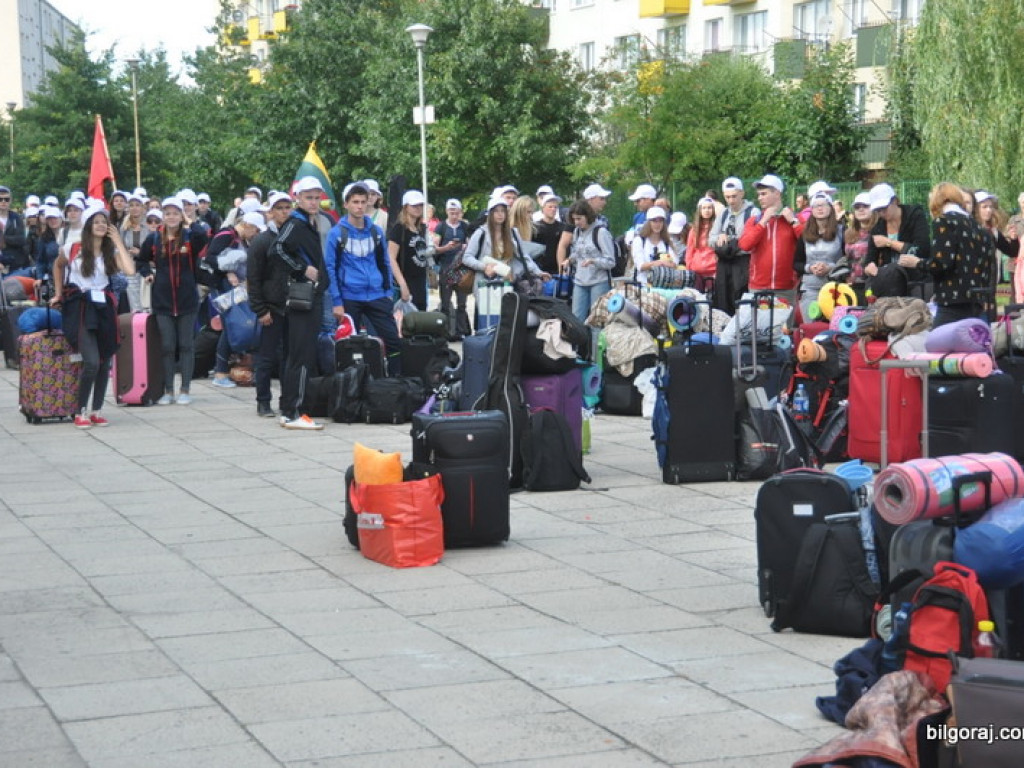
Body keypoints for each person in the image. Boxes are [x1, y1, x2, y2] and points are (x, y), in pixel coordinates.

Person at [49, 206, 135, 428]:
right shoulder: (73, 248)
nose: (101, 225)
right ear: (88, 226)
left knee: (104, 361)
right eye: (96, 222)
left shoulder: (110, 253)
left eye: (104, 222)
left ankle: (96, 410)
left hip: (103, 308)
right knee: (91, 362)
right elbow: (57, 266)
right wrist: (58, 293)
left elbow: (130, 271)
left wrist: (118, 242)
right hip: (79, 308)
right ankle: (80, 411)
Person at [137, 196, 209, 405]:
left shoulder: (189, 236)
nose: (171, 217)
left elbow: (203, 238)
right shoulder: (154, 239)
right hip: (162, 300)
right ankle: (168, 390)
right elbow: (141, 260)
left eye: (175, 213)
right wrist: (147, 274)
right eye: (167, 213)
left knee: (186, 345)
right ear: (162, 215)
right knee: (167, 346)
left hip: (187, 299)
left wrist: (189, 221)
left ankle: (185, 389)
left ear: (181, 215)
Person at [325, 182, 402, 375]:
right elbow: (330, 268)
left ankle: (396, 381)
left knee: (393, 340)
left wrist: (387, 292)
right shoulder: (336, 233)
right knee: (349, 344)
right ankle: (351, 383)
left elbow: (384, 262)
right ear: (346, 204)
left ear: (368, 202)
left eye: (363, 202)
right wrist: (337, 301)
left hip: (377, 295)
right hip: (349, 296)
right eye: (355, 202)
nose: (359, 206)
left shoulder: (376, 231)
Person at [272, 176, 329, 430]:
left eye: (317, 197)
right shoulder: (296, 223)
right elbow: (277, 249)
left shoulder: (307, 222)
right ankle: (295, 411)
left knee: (298, 356)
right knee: (301, 356)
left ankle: (289, 409)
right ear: (298, 198)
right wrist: (302, 268)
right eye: (309, 197)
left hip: (309, 296)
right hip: (302, 297)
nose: (314, 202)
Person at [907, 181, 995, 328]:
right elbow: (987, 266)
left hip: (952, 300)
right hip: (976, 301)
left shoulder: (944, 221)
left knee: (937, 341)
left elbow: (941, 263)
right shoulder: (979, 228)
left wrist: (917, 263)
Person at [247, 191, 293, 417]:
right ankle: (263, 401)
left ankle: (287, 400)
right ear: (271, 212)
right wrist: (260, 309)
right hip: (270, 308)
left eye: (287, 208)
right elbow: (253, 278)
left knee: (289, 357)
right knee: (266, 357)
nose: (284, 212)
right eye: (279, 208)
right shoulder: (262, 241)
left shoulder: (295, 237)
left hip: (293, 306)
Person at [210, 211, 265, 389]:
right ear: (247, 225)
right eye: (256, 230)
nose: (256, 234)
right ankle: (220, 372)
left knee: (232, 327)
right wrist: (228, 272)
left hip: (236, 290)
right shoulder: (227, 235)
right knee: (230, 327)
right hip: (224, 290)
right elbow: (210, 258)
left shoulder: (240, 240)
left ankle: (223, 370)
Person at [462, 196, 549, 296]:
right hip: (484, 284)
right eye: (496, 211)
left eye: (503, 211)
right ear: (490, 213)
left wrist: (538, 272)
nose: (500, 214)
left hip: (506, 283)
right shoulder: (481, 232)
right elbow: (467, 257)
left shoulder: (513, 232)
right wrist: (484, 267)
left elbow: (524, 256)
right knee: (486, 306)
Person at [738, 174, 802, 307]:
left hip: (786, 288)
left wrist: (793, 222)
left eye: (764, 194)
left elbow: (807, 243)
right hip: (758, 287)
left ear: (777, 193)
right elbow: (744, 245)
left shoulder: (794, 218)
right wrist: (763, 222)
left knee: (785, 322)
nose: (759, 198)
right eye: (759, 194)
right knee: (759, 321)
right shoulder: (755, 220)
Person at [863, 182, 931, 298]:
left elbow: (923, 250)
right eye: (878, 210)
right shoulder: (877, 227)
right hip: (891, 284)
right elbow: (869, 260)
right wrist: (869, 268)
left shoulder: (915, 215)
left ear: (894, 201)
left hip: (917, 281)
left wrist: (889, 243)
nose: (882, 213)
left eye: (884, 208)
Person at [794, 193, 845, 320]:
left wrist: (830, 267)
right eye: (816, 206)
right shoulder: (805, 233)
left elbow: (848, 259)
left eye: (823, 205)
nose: (819, 208)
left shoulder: (842, 231)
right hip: (810, 289)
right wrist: (811, 268)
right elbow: (796, 263)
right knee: (811, 327)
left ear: (830, 208)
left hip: (835, 289)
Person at [710, 176, 757, 314]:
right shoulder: (723, 214)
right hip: (724, 264)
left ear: (742, 193)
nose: (731, 200)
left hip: (743, 263)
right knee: (723, 302)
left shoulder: (752, 213)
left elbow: (754, 241)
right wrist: (719, 238)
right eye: (727, 197)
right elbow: (711, 239)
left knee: (741, 301)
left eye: (734, 196)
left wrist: (733, 243)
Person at [566, 200, 615, 323]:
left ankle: (595, 337)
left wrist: (593, 261)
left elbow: (610, 262)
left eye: (579, 219)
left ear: (587, 216)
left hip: (599, 281)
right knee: (576, 319)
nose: (576, 222)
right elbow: (577, 252)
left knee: (596, 321)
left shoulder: (601, 232)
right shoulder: (577, 232)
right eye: (574, 219)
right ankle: (578, 337)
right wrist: (569, 260)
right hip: (580, 281)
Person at [388, 190, 432, 312]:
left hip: (421, 281)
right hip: (406, 280)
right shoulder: (399, 228)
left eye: (420, 205)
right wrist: (402, 285)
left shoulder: (421, 229)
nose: (418, 208)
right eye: (414, 205)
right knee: (406, 319)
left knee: (421, 316)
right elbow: (391, 257)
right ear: (406, 207)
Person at [434, 198, 471, 339]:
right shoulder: (441, 226)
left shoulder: (464, 226)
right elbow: (435, 247)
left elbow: (471, 244)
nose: (454, 216)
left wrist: (465, 247)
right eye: (451, 212)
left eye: (456, 213)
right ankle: (445, 331)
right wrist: (446, 247)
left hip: (461, 268)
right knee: (445, 302)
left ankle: (461, 331)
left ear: (460, 212)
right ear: (446, 212)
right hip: (446, 267)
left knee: (462, 303)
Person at [555, 183, 611, 270]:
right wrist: (561, 269)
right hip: (578, 271)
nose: (604, 202)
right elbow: (563, 245)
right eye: (601, 198)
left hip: (599, 272)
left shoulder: (603, 221)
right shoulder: (575, 220)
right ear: (591, 199)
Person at [843, 192, 876, 300]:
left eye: (865, 206)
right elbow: (846, 259)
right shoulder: (848, 232)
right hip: (852, 284)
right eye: (857, 207)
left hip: (873, 284)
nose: (861, 209)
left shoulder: (879, 230)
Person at [120, 191, 149, 311]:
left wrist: (140, 253)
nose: (134, 208)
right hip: (131, 268)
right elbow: (120, 247)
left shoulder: (149, 225)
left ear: (142, 208)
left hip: (146, 268)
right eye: (131, 205)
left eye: (137, 205)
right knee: (134, 304)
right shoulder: (124, 227)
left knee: (147, 303)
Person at [630, 206, 673, 285]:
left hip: (664, 285)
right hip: (643, 285)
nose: (657, 224)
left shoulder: (667, 242)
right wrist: (661, 262)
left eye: (660, 221)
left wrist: (655, 264)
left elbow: (674, 264)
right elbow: (641, 266)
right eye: (654, 221)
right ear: (648, 222)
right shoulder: (639, 241)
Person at [686, 197, 718, 293]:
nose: (707, 210)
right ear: (699, 210)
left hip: (713, 271)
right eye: (704, 208)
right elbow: (689, 251)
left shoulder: (718, 227)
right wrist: (689, 267)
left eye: (709, 208)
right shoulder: (694, 230)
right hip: (697, 272)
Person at [0, 185, 28, 277]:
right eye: (0, 199)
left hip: (14, 263)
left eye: (6, 199)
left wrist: (4, 239)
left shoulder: (16, 218)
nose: (3, 202)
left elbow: (21, 239)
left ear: (10, 200)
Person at [532, 193, 563, 275]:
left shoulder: (562, 227)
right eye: (550, 207)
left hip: (557, 268)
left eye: (555, 207)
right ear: (543, 208)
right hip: (540, 269)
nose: (553, 209)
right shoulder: (535, 227)